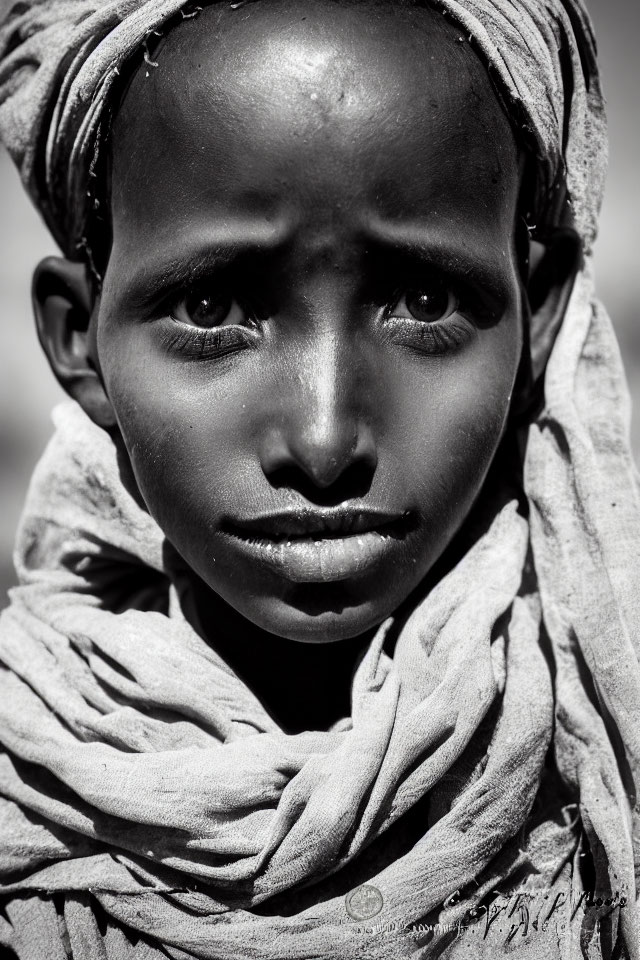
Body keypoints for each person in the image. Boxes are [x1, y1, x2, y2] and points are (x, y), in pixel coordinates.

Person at [0, 0, 637, 957]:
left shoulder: (608, 762)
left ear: (537, 316)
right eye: (212, 306)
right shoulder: (26, 778)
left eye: (426, 300)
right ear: (78, 337)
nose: (326, 439)